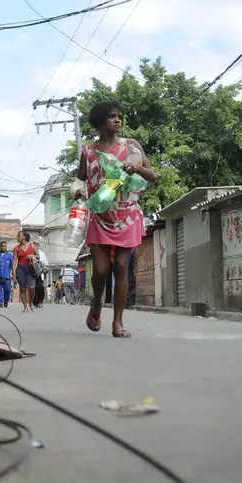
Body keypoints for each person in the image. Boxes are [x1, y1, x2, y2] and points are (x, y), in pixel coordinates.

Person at [78, 100, 157, 338]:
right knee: (100, 270)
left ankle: (118, 322)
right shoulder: (88, 152)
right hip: (100, 217)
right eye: (112, 116)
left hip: (128, 215)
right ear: (101, 121)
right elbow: (79, 179)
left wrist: (138, 169)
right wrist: (78, 191)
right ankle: (97, 305)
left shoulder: (132, 147)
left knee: (121, 266)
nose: (117, 120)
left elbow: (152, 175)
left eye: (119, 116)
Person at [14, 231, 39, 314]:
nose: (17, 237)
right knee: (23, 288)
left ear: (23, 237)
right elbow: (14, 260)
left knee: (31, 287)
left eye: (18, 236)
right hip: (20, 269)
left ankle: (31, 302)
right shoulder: (16, 248)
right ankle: (25, 306)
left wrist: (33, 256)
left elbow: (38, 256)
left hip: (31, 268)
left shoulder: (32, 246)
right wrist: (13, 271)